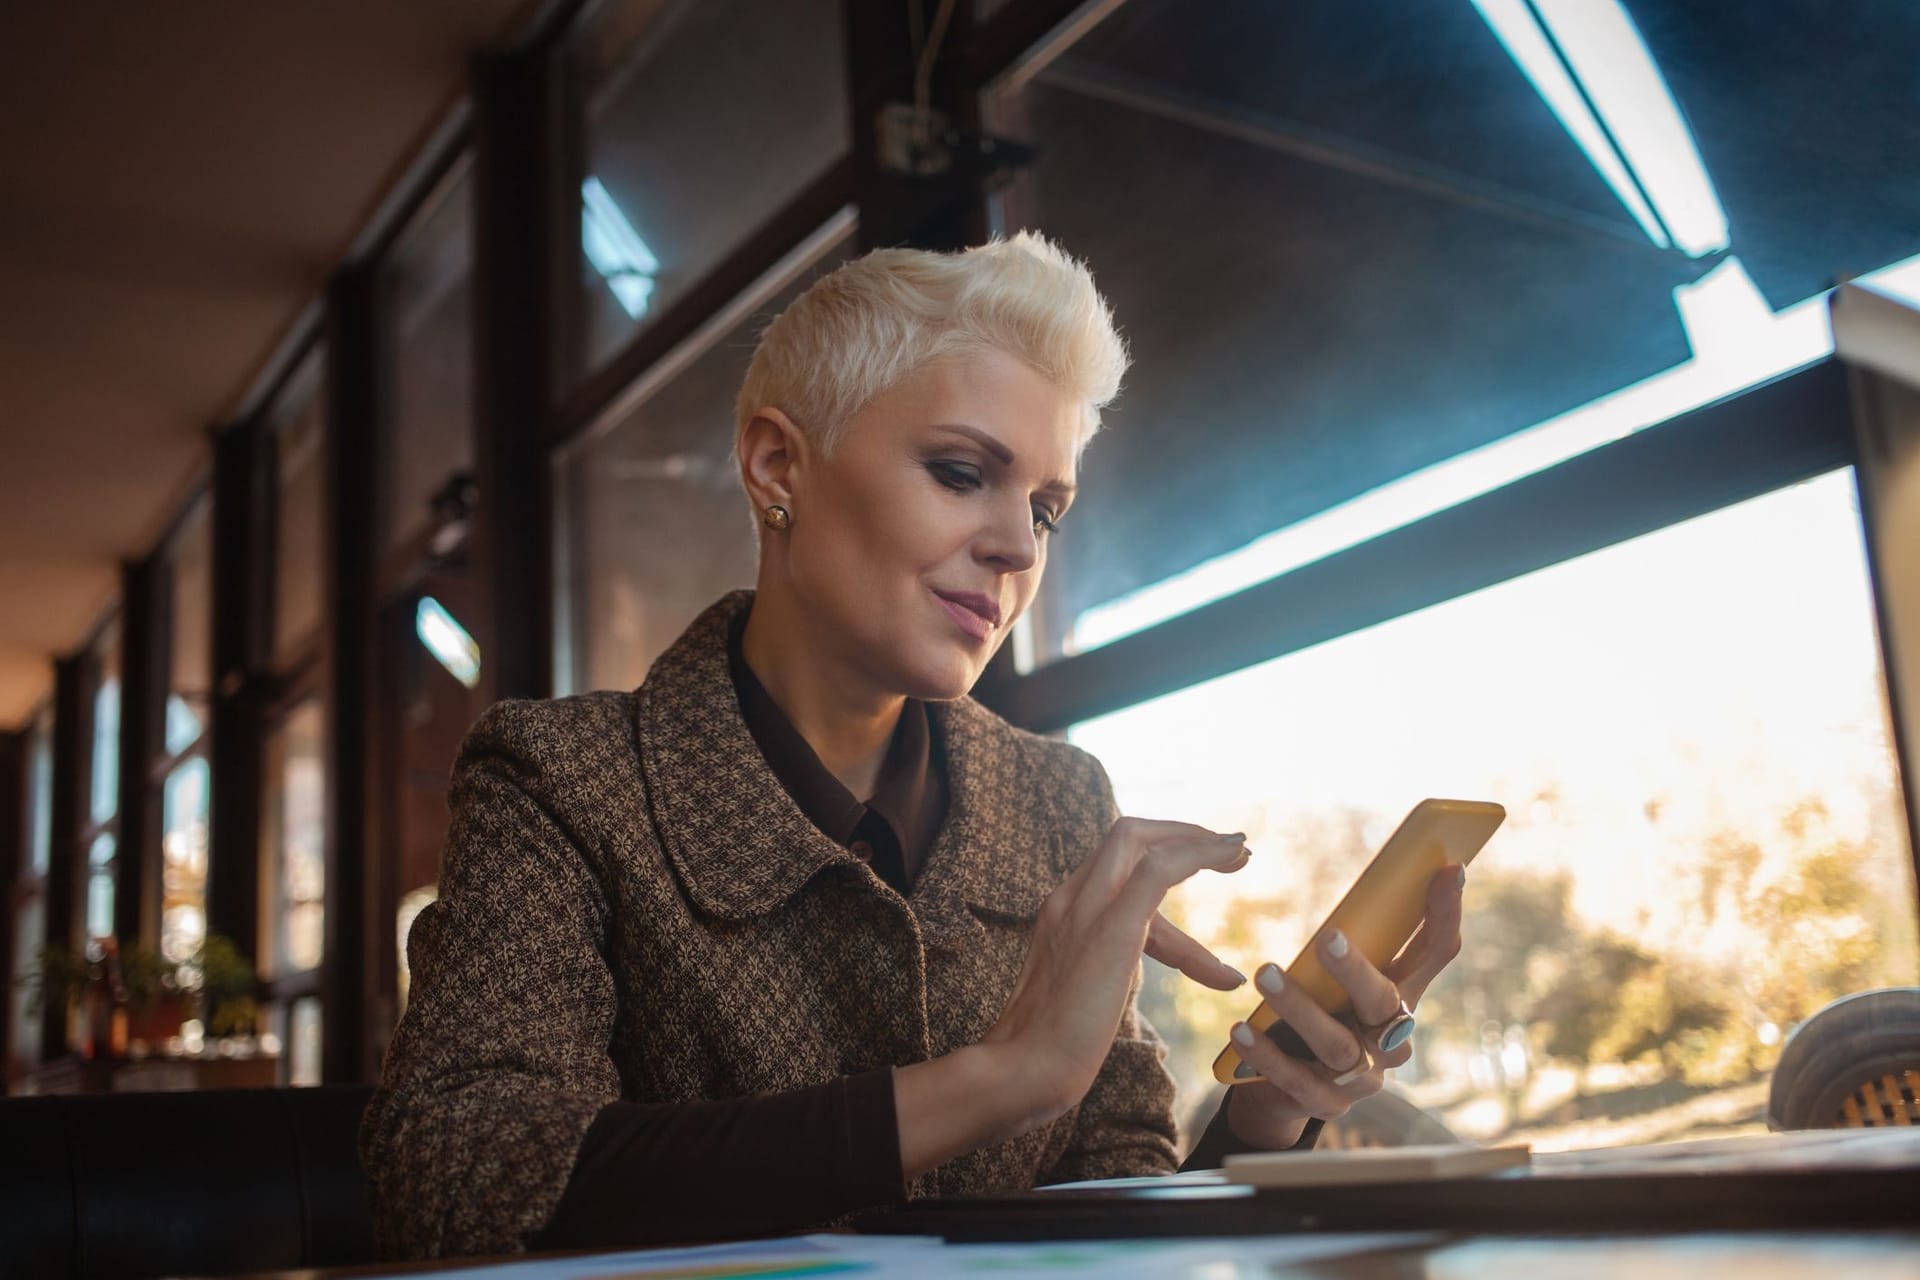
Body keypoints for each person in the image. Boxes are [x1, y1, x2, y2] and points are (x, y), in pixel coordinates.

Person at [359, 233, 1466, 1258]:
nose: (1013, 545)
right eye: (960, 471)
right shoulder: (561, 779)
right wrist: (998, 1079)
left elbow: (1119, 1204)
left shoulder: (1060, 798)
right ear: (777, 467)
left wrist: (1271, 1112)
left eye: (1047, 506)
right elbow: (458, 1179)